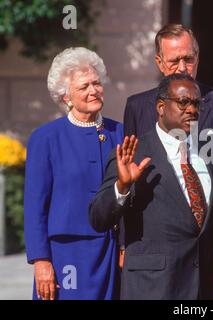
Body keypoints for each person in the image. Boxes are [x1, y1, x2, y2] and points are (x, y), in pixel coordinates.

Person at [89, 73, 213, 299]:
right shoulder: (132, 153)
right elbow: (98, 217)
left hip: (201, 288)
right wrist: (122, 186)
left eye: (196, 103)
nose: (192, 110)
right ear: (161, 107)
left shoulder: (208, 153)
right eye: (183, 102)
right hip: (153, 287)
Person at [24, 47, 123, 300]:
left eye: (97, 83)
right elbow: (35, 206)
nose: (93, 90)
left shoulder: (120, 133)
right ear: (66, 96)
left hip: (110, 249)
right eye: (84, 86)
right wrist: (40, 261)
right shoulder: (46, 138)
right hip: (65, 254)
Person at [123, 23, 213, 141]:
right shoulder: (137, 107)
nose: (182, 67)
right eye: (174, 61)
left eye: (188, 59)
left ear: (197, 58)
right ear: (160, 63)